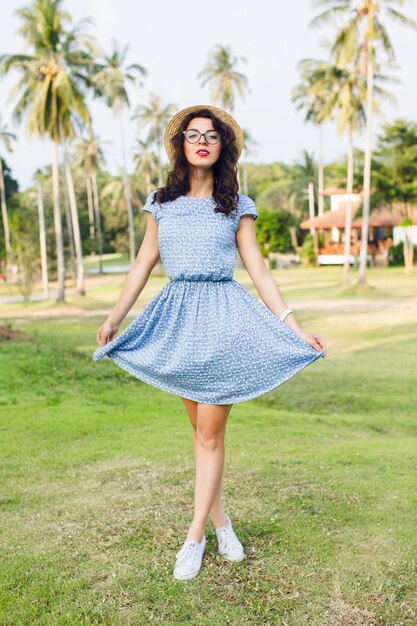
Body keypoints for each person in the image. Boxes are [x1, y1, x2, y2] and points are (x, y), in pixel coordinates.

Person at [93, 104, 327, 581]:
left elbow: (258, 269)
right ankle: (222, 521)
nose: (202, 140)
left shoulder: (236, 204)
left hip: (223, 323)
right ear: (181, 145)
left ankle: (195, 535)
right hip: (177, 324)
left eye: (212, 135)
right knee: (200, 436)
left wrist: (292, 325)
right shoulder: (161, 202)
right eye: (193, 134)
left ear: (223, 147)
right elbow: (143, 263)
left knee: (209, 435)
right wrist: (115, 316)